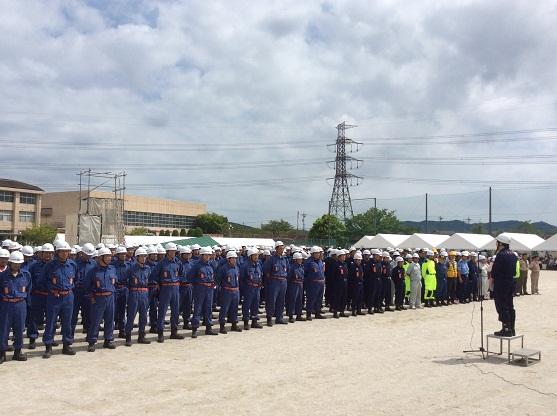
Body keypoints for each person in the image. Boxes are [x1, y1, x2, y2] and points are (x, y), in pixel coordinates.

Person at [42, 241, 77, 359]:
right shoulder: (50, 265)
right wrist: (52, 289)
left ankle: (66, 345)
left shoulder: (72, 265)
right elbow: (43, 280)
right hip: (54, 297)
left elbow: (75, 280)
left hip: (68, 297)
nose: (64, 253)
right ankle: (48, 346)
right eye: (62, 251)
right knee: (51, 322)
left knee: (67, 322)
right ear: (57, 252)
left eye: (66, 251)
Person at [0, 252, 31, 363]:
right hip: (6, 304)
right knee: (4, 329)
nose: (17, 266)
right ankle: (2, 353)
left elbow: (28, 289)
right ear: (10, 262)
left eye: (19, 263)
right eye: (15, 263)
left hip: (20, 304)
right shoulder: (2, 276)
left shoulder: (26, 275)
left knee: (19, 329)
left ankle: (17, 352)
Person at [86, 247, 117, 352]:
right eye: (106, 256)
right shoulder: (93, 271)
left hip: (110, 297)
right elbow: (87, 286)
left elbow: (114, 282)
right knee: (95, 320)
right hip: (98, 298)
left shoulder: (112, 269)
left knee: (110, 319)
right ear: (100, 258)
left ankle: (108, 340)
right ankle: (92, 341)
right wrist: (92, 297)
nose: (109, 258)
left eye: (110, 256)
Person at [152, 243, 184, 343]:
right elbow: (154, 276)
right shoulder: (161, 263)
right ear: (167, 252)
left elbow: (182, 274)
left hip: (175, 288)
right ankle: (160, 333)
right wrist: (157, 284)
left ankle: (174, 332)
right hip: (165, 288)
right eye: (172, 251)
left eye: (175, 251)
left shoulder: (178, 263)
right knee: (162, 311)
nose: (173, 253)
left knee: (175, 311)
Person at [124, 247, 151, 346]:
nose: (144, 258)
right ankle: (128, 337)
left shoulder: (148, 269)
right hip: (134, 293)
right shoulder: (131, 268)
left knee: (144, 316)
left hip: (144, 293)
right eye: (142, 256)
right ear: (137, 257)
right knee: (131, 315)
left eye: (145, 256)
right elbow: (126, 282)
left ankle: (141, 336)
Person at [491, 234, 517, 336]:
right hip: (510, 282)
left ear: (501, 243)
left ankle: (506, 329)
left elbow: (494, 271)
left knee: (502, 305)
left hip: (501, 283)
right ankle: (511, 328)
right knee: (510, 305)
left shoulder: (501, 255)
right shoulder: (513, 255)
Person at [190, 246, 218, 338]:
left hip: (209, 290)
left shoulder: (210, 266)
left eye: (209, 255)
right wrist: (197, 285)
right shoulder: (197, 266)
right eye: (206, 255)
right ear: (202, 255)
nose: (208, 256)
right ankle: (194, 329)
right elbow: (190, 276)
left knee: (208, 308)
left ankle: (208, 328)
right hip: (200, 290)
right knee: (197, 309)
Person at [263, 241, 289, 326]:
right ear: (276, 249)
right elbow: (266, 271)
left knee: (281, 301)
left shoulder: (285, 259)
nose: (282, 250)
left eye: (283, 248)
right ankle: (269, 318)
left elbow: (287, 270)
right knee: (271, 301)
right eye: (280, 248)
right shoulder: (271, 259)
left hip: (283, 281)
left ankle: (279, 318)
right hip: (274, 281)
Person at [216, 250, 242, 334]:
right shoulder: (223, 268)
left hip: (235, 291)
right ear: (228, 259)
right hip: (226, 291)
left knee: (234, 309)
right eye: (232, 259)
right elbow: (218, 279)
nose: (234, 260)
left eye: (235, 258)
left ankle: (234, 324)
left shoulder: (236, 268)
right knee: (224, 309)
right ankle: (222, 326)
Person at [240, 248, 263, 329]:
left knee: (255, 305)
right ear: (250, 256)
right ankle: (246, 322)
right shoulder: (245, 266)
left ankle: (254, 321)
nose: (257, 257)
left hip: (257, 288)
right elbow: (241, 279)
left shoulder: (258, 264)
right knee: (246, 305)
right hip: (248, 288)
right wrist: (244, 290)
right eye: (255, 255)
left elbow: (260, 275)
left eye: (257, 255)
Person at [304, 246, 326, 320]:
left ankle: (317, 313)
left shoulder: (320, 262)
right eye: (316, 253)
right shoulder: (308, 262)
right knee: (311, 299)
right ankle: (309, 314)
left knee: (319, 299)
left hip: (321, 283)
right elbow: (305, 273)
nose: (318, 255)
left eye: (318, 253)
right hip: (312, 284)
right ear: (312, 254)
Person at [286, 251, 305, 322]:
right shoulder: (292, 267)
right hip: (293, 285)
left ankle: (298, 315)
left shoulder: (301, 267)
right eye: (299, 259)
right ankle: (291, 315)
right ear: (295, 260)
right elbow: (289, 277)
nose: (300, 260)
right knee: (292, 300)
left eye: (301, 259)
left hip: (300, 284)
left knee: (299, 300)